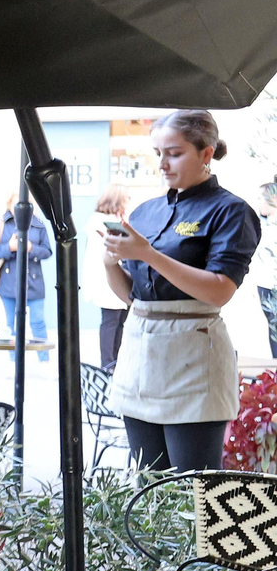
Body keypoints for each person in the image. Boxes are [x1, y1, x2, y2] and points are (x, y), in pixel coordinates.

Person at [103, 109, 260, 471]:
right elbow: (132, 297)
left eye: (174, 153)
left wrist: (147, 254)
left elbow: (220, 291)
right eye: (158, 153)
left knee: (190, 487)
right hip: (140, 353)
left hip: (194, 355)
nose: (162, 164)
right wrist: (110, 261)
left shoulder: (231, 211)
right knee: (147, 486)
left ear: (207, 153)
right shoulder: (145, 212)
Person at [0, 192, 54, 361]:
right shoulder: (0, 223)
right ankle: (14, 361)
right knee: (11, 325)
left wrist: (31, 248)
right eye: (17, 204)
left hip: (33, 281)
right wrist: (9, 247)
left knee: (38, 322)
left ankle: (44, 360)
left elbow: (47, 251)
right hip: (8, 282)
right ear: (9, 204)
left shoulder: (38, 224)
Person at [83, 183, 131, 370]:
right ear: (117, 199)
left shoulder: (117, 220)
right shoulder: (102, 222)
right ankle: (108, 365)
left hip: (117, 277)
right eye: (126, 198)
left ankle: (114, 363)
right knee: (111, 322)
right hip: (106, 280)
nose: (128, 202)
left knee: (119, 323)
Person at [249, 181, 277, 358]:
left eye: (261, 198)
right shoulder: (262, 224)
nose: (258, 203)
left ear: (273, 198)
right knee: (273, 328)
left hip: (273, 285)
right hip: (265, 284)